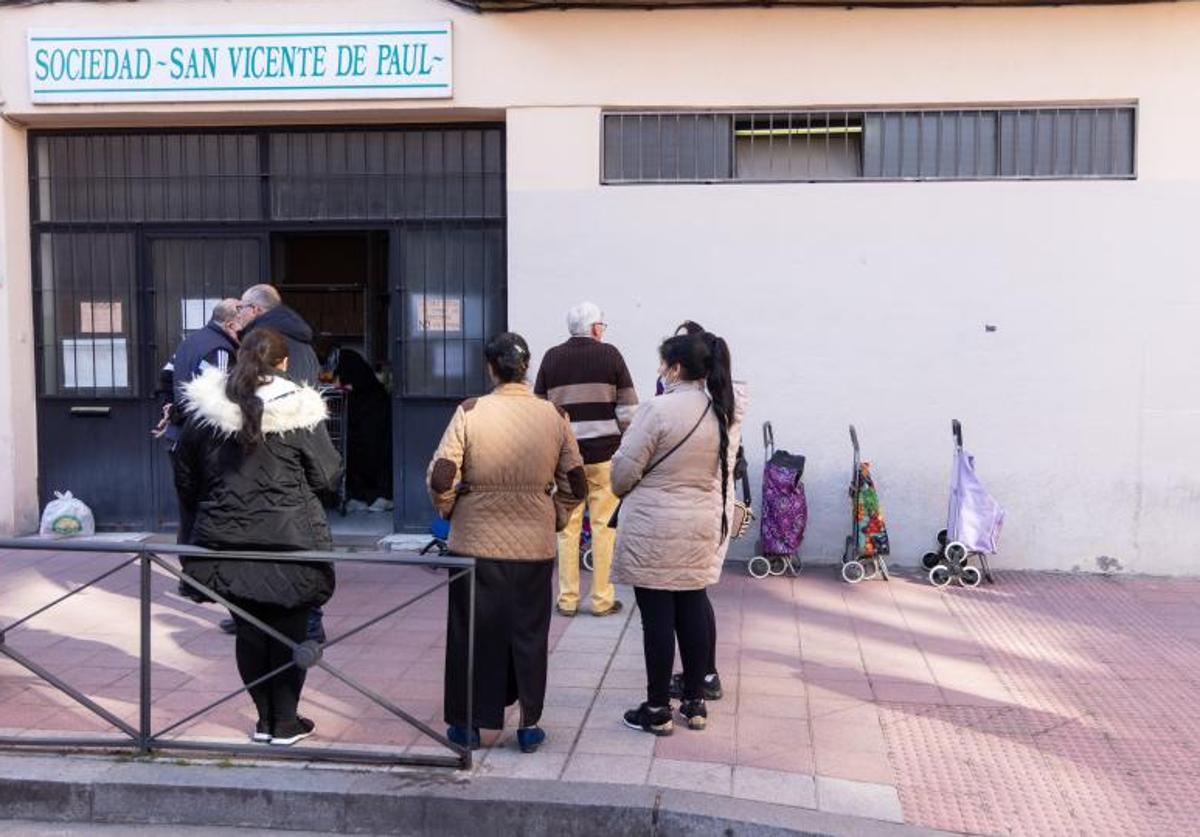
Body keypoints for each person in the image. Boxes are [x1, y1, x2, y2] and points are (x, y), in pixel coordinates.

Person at [173, 328, 343, 746]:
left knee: (250, 632)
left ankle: (265, 719)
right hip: (290, 541)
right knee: (289, 632)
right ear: (284, 364)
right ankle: (284, 721)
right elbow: (327, 475)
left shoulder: (206, 410)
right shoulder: (299, 411)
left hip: (226, 542)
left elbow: (184, 476)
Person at [427, 332, 586, 754]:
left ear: (491, 368)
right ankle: (529, 725)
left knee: (471, 632)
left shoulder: (471, 411)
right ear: (527, 367)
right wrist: (556, 513)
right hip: (534, 543)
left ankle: (467, 725)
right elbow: (575, 480)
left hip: (475, 541)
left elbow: (442, 474)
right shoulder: (553, 415)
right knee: (529, 633)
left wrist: (448, 509)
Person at [612, 330, 741, 736]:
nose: (660, 371)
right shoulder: (720, 410)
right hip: (700, 524)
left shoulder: (658, 410)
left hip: (655, 527)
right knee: (692, 612)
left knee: (657, 621)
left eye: (663, 364)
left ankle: (656, 708)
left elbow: (622, 474)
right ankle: (695, 702)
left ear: (677, 367)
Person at [533, 301, 637, 618]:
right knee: (605, 527)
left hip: (567, 461)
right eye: (602, 326)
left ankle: (567, 599)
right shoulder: (611, 355)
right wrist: (626, 447)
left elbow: (540, 410)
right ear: (595, 328)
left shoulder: (551, 357)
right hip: (605, 456)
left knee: (567, 529)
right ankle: (602, 600)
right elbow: (629, 412)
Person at [152, 298, 242, 631]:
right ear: (231, 324)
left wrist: (168, 412)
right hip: (202, 444)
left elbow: (165, 377)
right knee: (210, 510)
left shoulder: (190, 341)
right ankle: (202, 580)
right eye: (243, 318)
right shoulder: (220, 350)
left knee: (188, 509)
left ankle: (188, 579)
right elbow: (219, 399)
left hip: (177, 439)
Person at [238, 284, 320, 386]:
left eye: (241, 307)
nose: (239, 314)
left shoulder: (261, 339)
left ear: (255, 309)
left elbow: (249, 381)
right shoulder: (301, 338)